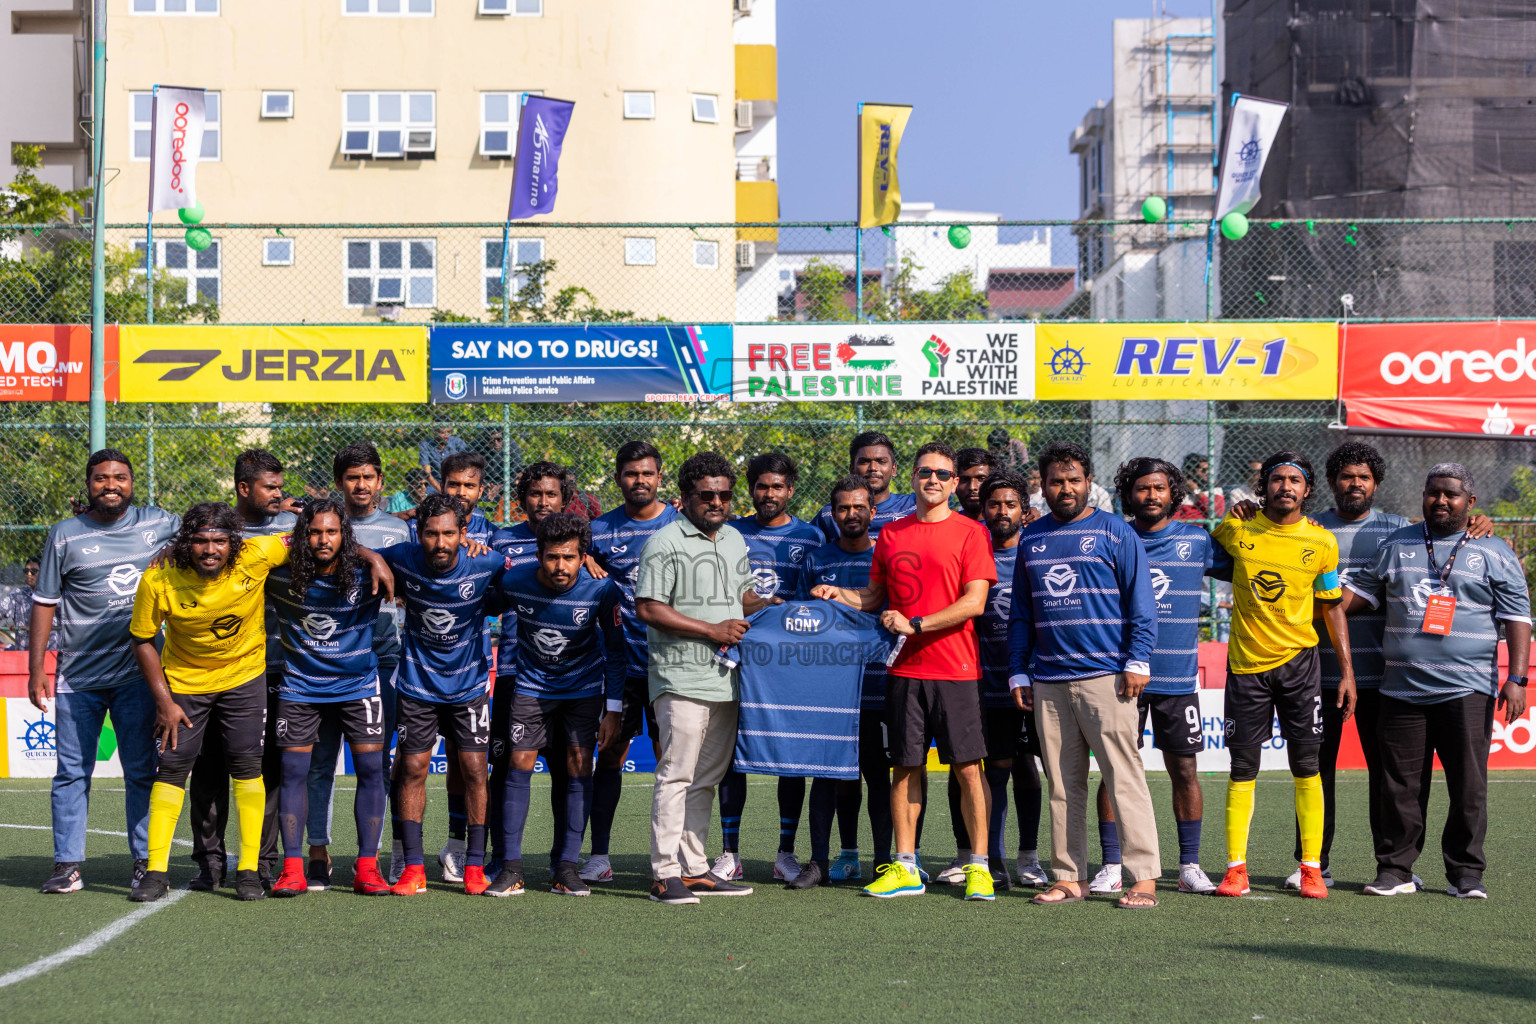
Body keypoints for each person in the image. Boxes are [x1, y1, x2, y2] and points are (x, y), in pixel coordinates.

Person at [814, 441, 998, 902]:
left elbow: (974, 603)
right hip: (904, 672)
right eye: (924, 472)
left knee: (969, 770)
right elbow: (875, 598)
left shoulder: (972, 532)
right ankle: (906, 865)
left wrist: (917, 624)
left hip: (956, 670)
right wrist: (838, 593)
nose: (932, 479)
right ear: (912, 479)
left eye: (941, 473)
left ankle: (979, 866)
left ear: (954, 484)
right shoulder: (892, 535)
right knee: (904, 768)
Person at [1342, 464, 1531, 899]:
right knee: (1399, 785)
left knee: (1468, 785)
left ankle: (1465, 874)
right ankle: (1395, 870)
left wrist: (1516, 678)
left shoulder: (1494, 549)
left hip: (1467, 689)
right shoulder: (1397, 544)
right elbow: (1361, 595)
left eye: (1451, 494)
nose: (1441, 501)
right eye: (1433, 493)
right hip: (1401, 687)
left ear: (1471, 503)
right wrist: (1314, 596)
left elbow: (1517, 616)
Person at [1007, 441, 1162, 909]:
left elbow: (1142, 604)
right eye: (1056, 480)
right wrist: (1018, 671)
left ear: (1088, 482)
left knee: (1124, 778)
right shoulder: (1031, 539)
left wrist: (1137, 661)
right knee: (1061, 783)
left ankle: (1144, 879)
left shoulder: (1115, 532)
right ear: (1043, 485)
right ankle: (1070, 877)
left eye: (1074, 479)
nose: (1066, 488)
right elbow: (1020, 612)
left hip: (1107, 678)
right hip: (1049, 682)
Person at [128, 504, 301, 903]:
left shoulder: (256, 555)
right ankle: (155, 872)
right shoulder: (159, 579)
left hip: (243, 679)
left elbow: (315, 538)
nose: (210, 549)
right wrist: (164, 701)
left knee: (247, 767)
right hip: (185, 686)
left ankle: (248, 870)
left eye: (219, 540)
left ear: (233, 542)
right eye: (201, 540)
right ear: (185, 542)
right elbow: (142, 638)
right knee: (172, 767)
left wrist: (372, 556)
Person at [32, 449, 178, 895]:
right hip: (78, 679)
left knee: (141, 771)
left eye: (119, 478)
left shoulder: (160, 523)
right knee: (72, 773)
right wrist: (38, 668)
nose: (110, 485)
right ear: (89, 485)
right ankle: (67, 865)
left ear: (133, 483)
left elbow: (211, 532)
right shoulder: (64, 535)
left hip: (139, 676)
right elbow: (44, 605)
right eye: (100, 479)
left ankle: (144, 863)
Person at [1210, 451, 1353, 900]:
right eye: (1277, 479)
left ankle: (1311, 868)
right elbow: (1210, 547)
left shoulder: (1322, 543)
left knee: (1307, 766)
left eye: (1295, 480)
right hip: (1247, 668)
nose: (1285, 487)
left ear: (1308, 489)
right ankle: (1236, 869)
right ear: (1263, 487)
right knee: (1242, 768)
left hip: (1300, 667)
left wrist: (1346, 672)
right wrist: (1233, 515)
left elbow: (1331, 608)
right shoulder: (1237, 529)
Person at [1091, 457, 1232, 897]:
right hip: (1122, 676)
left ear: (1173, 492)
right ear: (1127, 493)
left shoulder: (1197, 540)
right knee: (1115, 771)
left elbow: (1246, 562)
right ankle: (1113, 864)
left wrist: (1241, 523)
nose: (1151, 496)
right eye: (1141, 488)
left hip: (1177, 679)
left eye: (1159, 488)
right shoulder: (1112, 537)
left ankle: (1189, 864)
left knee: (1185, 770)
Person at [636, 451, 767, 905]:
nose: (716, 502)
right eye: (706, 494)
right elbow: (648, 608)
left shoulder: (732, 539)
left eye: (724, 494)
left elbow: (742, 597)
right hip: (679, 678)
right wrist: (713, 630)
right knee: (676, 776)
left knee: (705, 779)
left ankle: (694, 869)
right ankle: (663, 873)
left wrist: (781, 606)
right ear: (685, 497)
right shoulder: (664, 542)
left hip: (725, 680)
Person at [375, 494, 509, 897]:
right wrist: (374, 559)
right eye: (431, 533)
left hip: (468, 687)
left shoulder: (487, 562)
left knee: (472, 770)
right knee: (413, 768)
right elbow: (355, 550)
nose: (440, 542)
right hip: (417, 685)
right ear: (419, 534)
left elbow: (524, 572)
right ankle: (413, 868)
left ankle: (472, 865)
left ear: (463, 534)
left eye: (449, 533)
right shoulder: (401, 557)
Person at [487, 513, 625, 897]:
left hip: (582, 691)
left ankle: (565, 867)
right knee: (518, 764)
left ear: (583, 557)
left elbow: (615, 653)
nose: (559, 566)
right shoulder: (515, 581)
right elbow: (480, 603)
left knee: (578, 769)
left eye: (568, 558)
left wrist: (612, 710)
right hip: (531, 688)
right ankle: (511, 868)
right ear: (539, 555)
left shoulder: (602, 590)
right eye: (551, 557)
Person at [794, 476, 920, 883]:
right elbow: (799, 621)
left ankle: (885, 860)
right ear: (832, 514)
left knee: (878, 776)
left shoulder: (888, 555)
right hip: (829, 690)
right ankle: (824, 860)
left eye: (859, 507)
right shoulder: (816, 560)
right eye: (843, 508)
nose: (851, 514)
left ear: (872, 511)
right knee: (829, 775)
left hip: (879, 685)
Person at [265, 497, 390, 897]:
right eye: (315, 531)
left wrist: (372, 556)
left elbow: (426, 558)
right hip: (300, 687)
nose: (323, 539)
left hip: (358, 686)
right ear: (302, 535)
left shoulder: (366, 573)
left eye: (332, 531)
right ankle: (293, 868)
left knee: (372, 772)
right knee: (294, 776)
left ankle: (367, 868)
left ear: (344, 535)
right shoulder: (278, 576)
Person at [186, 448, 298, 892]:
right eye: (270, 487)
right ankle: (209, 864)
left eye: (280, 486)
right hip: (211, 671)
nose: (278, 494)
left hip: (277, 667)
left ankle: (261, 862)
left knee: (265, 768)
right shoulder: (210, 532)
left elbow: (335, 540)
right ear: (243, 488)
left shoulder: (292, 526)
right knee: (208, 769)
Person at [305, 443, 412, 890]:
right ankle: (317, 850)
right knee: (319, 760)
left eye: (369, 476)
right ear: (339, 483)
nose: (361, 485)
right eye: (352, 477)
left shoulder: (400, 532)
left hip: (383, 659)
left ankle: (371, 857)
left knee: (378, 762)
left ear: (380, 482)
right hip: (324, 658)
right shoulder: (320, 529)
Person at [937, 471, 1047, 891]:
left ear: (1025, 510)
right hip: (986, 683)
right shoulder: (973, 548)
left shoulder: (1036, 551)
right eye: (994, 504)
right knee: (995, 769)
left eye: (1010, 505)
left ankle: (1032, 857)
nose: (1002, 512)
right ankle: (993, 859)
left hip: (1039, 680)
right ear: (983, 508)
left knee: (1034, 767)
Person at [715, 452, 819, 883]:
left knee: (789, 758)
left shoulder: (811, 536)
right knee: (730, 758)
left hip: (789, 663)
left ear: (790, 491)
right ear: (752, 489)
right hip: (739, 658)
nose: (769, 494)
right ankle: (729, 852)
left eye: (777, 487)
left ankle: (785, 853)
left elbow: (815, 595)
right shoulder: (731, 533)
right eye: (762, 486)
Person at [582, 441, 678, 883]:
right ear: (619, 477)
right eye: (631, 474)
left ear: (661, 477)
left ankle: (671, 856)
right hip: (619, 666)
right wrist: (584, 557)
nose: (640, 481)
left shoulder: (682, 523)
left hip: (672, 665)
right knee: (610, 755)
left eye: (647, 473)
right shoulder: (599, 531)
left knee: (672, 763)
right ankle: (599, 854)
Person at [412, 449, 502, 883]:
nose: (460, 492)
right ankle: (416, 850)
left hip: (471, 666)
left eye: (469, 486)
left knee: (469, 764)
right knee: (413, 764)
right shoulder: (422, 528)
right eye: (453, 485)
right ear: (440, 485)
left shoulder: (496, 538)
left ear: (480, 491)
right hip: (418, 666)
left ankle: (464, 846)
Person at [484, 461, 573, 880]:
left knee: (564, 767)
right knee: (505, 765)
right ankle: (502, 857)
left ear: (564, 498)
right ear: (522, 500)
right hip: (515, 672)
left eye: (551, 494)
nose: (543, 502)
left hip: (567, 677)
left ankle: (563, 860)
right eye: (535, 494)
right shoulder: (503, 540)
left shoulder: (577, 546)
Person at [811, 431, 918, 543]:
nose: (873, 468)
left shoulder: (914, 506)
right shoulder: (830, 515)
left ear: (894, 469)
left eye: (881, 461)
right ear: (852, 469)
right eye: (864, 462)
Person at [4, 558, 56, 650]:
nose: (29, 574)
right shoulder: (18, 594)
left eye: (33, 571)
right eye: (26, 571)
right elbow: (2, 609)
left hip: (50, 651)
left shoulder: (55, 594)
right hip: (24, 652)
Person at [419, 416, 470, 494]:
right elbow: (427, 473)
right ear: (434, 431)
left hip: (457, 481)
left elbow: (468, 466)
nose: (446, 435)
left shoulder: (457, 443)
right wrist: (442, 490)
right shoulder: (425, 445)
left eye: (449, 432)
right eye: (442, 432)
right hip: (435, 484)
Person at [1175, 452, 1225, 522]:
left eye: (1209, 470)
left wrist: (1196, 491)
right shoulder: (1179, 489)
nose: (1208, 473)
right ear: (1191, 471)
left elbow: (1217, 512)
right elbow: (1174, 515)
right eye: (1203, 470)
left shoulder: (1214, 488)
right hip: (1182, 528)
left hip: (1203, 528)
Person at [954, 448, 998, 521]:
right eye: (965, 479)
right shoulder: (946, 526)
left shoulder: (1011, 527)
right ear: (954, 484)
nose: (972, 487)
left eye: (981, 478)